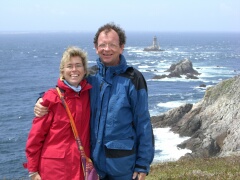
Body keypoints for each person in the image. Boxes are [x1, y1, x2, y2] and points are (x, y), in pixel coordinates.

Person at [34, 23, 155, 180]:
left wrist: (142, 164)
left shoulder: (133, 78)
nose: (107, 49)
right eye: (102, 45)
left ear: (121, 47)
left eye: (112, 45)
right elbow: (65, 89)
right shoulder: (89, 76)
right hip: (93, 165)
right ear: (96, 48)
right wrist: (41, 98)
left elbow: (143, 123)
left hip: (124, 166)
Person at [25, 46, 92, 180]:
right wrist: (33, 170)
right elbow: (35, 138)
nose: (74, 70)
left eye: (78, 65)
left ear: (84, 70)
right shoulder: (51, 99)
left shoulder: (89, 94)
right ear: (62, 71)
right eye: (69, 66)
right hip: (54, 171)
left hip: (80, 169)